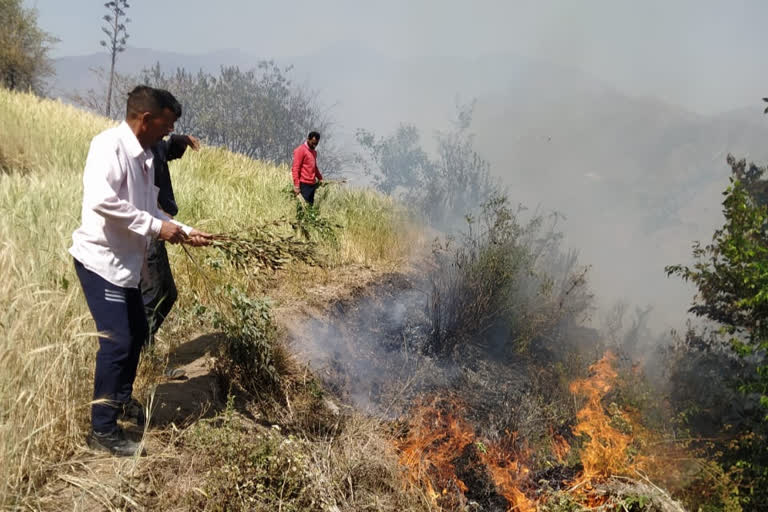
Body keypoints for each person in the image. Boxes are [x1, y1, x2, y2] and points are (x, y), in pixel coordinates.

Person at [69, 85, 212, 456]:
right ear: (146, 118)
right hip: (101, 261)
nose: (169, 132)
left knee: (134, 334)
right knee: (117, 342)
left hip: (127, 266)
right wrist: (155, 228)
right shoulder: (109, 146)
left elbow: (153, 212)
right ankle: (101, 430)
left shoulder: (147, 158)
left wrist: (186, 231)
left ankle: (119, 402)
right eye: (167, 125)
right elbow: (102, 200)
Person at [141, 133, 200, 366]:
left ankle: (145, 343)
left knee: (168, 294)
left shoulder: (156, 146)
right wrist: (157, 215)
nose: (169, 127)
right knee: (153, 294)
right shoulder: (140, 151)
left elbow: (168, 151)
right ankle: (143, 351)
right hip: (151, 229)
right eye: (167, 121)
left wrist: (180, 140)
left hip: (160, 225)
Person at [292, 131, 323, 205]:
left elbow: (314, 167)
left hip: (312, 184)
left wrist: (320, 178)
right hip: (303, 184)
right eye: (313, 143)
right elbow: (295, 168)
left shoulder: (314, 152)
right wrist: (296, 186)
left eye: (316, 143)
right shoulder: (301, 150)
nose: (314, 145)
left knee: (309, 208)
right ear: (308, 139)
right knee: (303, 208)